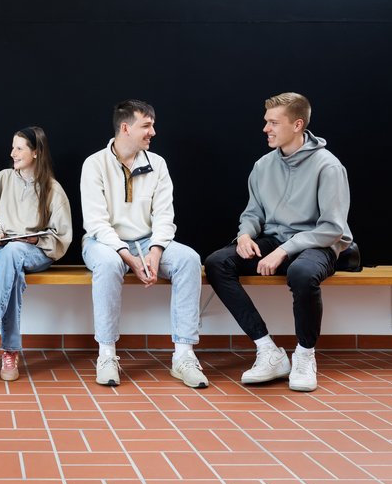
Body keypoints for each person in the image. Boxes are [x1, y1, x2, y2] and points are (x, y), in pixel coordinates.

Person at [204, 92, 352, 392]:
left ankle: (305, 356)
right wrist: (245, 234)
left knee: (302, 272)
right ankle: (268, 351)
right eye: (265, 121)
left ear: (297, 125)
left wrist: (286, 250)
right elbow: (252, 212)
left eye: (273, 122)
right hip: (274, 237)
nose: (266, 129)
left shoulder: (328, 166)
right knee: (217, 262)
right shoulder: (263, 166)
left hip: (318, 243)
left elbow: (332, 228)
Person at [81, 100, 207, 389]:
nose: (153, 132)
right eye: (146, 126)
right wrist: (128, 257)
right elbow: (97, 223)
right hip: (103, 242)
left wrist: (155, 250)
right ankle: (107, 354)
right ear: (126, 128)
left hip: (149, 241)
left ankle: (184, 356)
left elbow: (165, 215)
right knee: (111, 263)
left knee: (188, 259)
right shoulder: (94, 164)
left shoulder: (157, 163)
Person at [0, 127, 72, 381]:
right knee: (10, 259)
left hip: (35, 252)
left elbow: (61, 237)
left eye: (19, 148)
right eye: (12, 147)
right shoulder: (3, 178)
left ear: (36, 152)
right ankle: (9, 350)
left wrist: (34, 238)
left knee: (14, 252)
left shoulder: (53, 189)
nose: (12, 153)